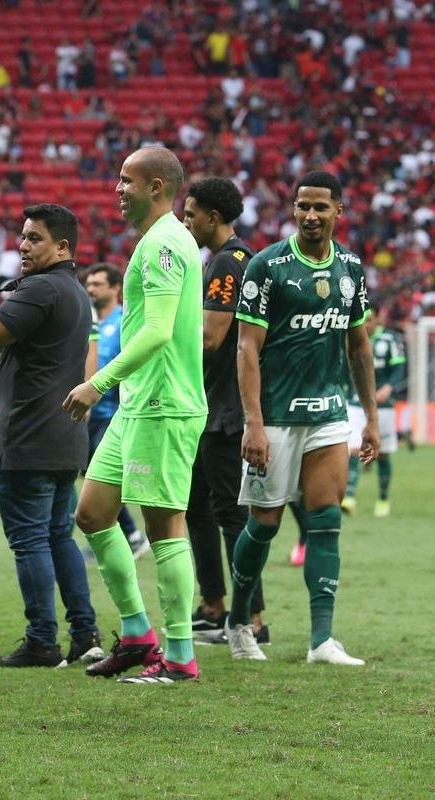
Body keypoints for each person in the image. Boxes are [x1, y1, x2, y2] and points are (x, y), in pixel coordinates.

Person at [0, 204, 102, 668]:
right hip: (64, 436)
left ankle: (42, 641)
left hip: (29, 436)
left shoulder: (43, 286)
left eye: (35, 239)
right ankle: (85, 634)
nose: (23, 246)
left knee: (30, 540)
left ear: (62, 246)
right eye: (22, 237)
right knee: (57, 536)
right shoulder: (72, 289)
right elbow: (12, 328)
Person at [64, 147, 208, 684]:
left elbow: (158, 329)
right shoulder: (154, 241)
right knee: (94, 514)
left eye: (127, 180)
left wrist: (97, 382)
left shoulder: (167, 241)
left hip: (164, 404)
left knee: (165, 526)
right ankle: (137, 636)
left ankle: (179, 656)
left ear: (157, 186)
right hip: (137, 405)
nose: (117, 188)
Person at [228, 171, 378, 666]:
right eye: (302, 206)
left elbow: (358, 347)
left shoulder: (352, 269)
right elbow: (247, 349)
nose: (310, 215)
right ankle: (238, 621)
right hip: (273, 417)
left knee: (326, 521)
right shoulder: (267, 267)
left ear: (339, 211)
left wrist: (370, 417)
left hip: (329, 414)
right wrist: (252, 423)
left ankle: (321, 641)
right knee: (265, 525)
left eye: (320, 207)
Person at [181, 177, 268, 645]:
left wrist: (163, 349)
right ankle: (213, 606)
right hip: (208, 404)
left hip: (225, 409)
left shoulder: (228, 262)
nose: (185, 220)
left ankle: (252, 616)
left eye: (191, 212)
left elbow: (212, 338)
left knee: (231, 512)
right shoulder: (233, 259)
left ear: (214, 217)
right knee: (197, 506)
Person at [82, 264, 149, 558]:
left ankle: (131, 535)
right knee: (90, 474)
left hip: (113, 413)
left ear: (115, 288)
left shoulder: (125, 322)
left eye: (97, 284)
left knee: (103, 479)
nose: (91, 289)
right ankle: (122, 536)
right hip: (88, 414)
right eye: (89, 284)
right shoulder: (88, 322)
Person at [342, 309, 404, 518]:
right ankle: (349, 497)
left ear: (378, 318)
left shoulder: (390, 340)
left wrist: (389, 388)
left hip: (383, 407)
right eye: (363, 320)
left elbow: (399, 369)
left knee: (383, 454)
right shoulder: (350, 337)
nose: (366, 324)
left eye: (369, 319)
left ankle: (383, 498)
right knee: (352, 449)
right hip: (356, 404)